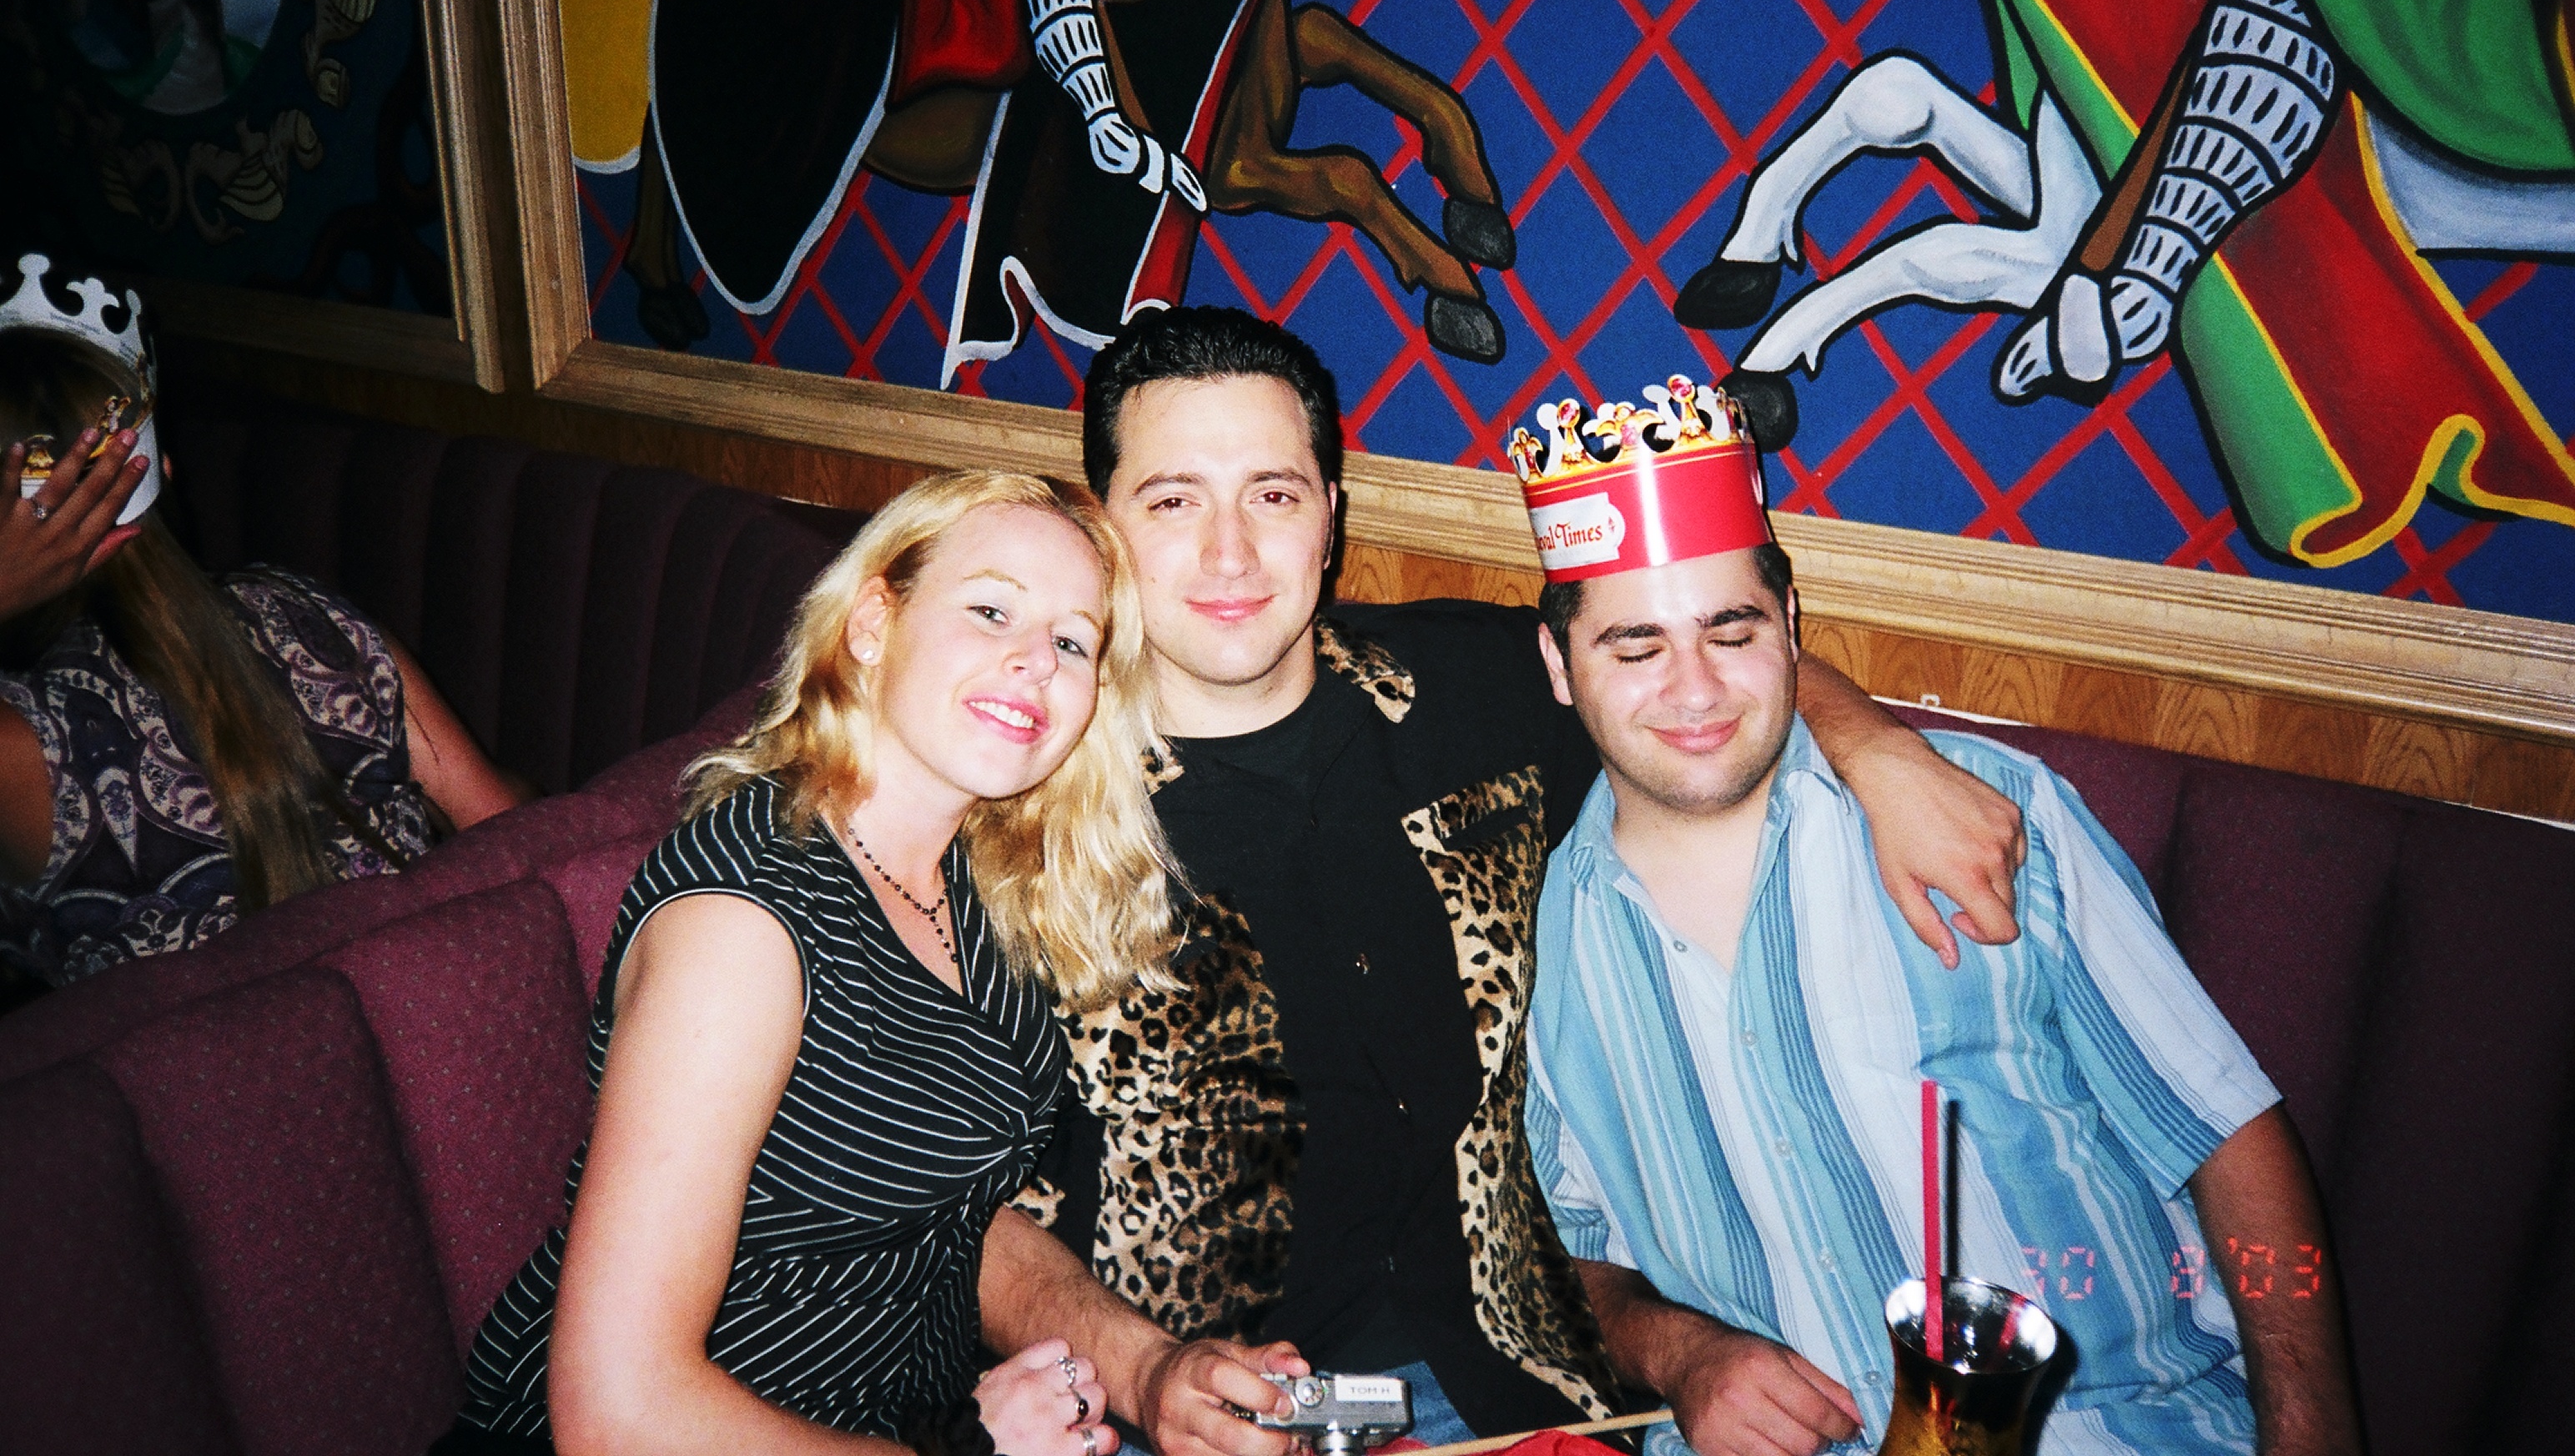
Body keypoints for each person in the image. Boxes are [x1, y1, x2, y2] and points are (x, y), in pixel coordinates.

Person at [972, 308, 2034, 1456]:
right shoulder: (1013, 807)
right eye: (1174, 500)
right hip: (1203, 1414)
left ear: (1330, 515)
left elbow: (1701, 663)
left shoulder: (1473, 691)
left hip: (1525, 1391)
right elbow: (950, 1212)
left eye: (1273, 494)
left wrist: (1878, 750)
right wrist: (1145, 1370)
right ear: (1105, 529)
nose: (1230, 553)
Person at [1517, 378, 2365, 1454]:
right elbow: (1569, 1253)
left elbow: (2226, 1131)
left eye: (1730, 632)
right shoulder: (1539, 939)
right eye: (1635, 649)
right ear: (1559, 665)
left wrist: (2309, 1425)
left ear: (1790, 626)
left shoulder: (1988, 816)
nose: (1695, 690)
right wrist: (1679, 1353)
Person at [445, 470, 1179, 1456]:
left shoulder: (971, 881)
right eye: (991, 609)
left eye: (1072, 641)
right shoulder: (744, 917)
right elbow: (615, 1414)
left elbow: (945, 1214)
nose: (1035, 662)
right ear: (874, 623)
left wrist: (1151, 1370)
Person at [0, 255, 526, 998]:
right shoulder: (304, 616)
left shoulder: (22, 736)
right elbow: (508, 826)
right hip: (431, 1023)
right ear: (164, 473)